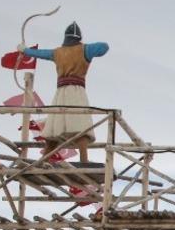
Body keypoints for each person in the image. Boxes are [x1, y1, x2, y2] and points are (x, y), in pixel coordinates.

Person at [19, 23, 109, 164]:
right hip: (76, 92)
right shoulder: (83, 49)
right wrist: (86, 48)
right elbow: (104, 47)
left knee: (56, 127)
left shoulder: (58, 52)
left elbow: (40, 53)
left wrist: (25, 50)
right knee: (80, 126)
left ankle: (44, 161)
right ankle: (81, 161)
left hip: (62, 92)